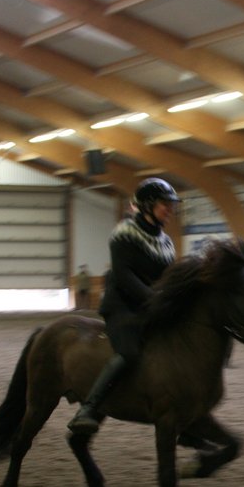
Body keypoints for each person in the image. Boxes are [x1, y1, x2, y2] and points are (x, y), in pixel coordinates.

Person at [68, 177, 181, 435]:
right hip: (123, 307)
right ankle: (89, 408)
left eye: (171, 205)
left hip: (151, 306)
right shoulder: (124, 233)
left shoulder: (166, 241)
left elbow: (168, 277)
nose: (170, 210)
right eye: (165, 204)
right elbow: (123, 275)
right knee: (129, 352)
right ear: (148, 205)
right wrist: (154, 299)